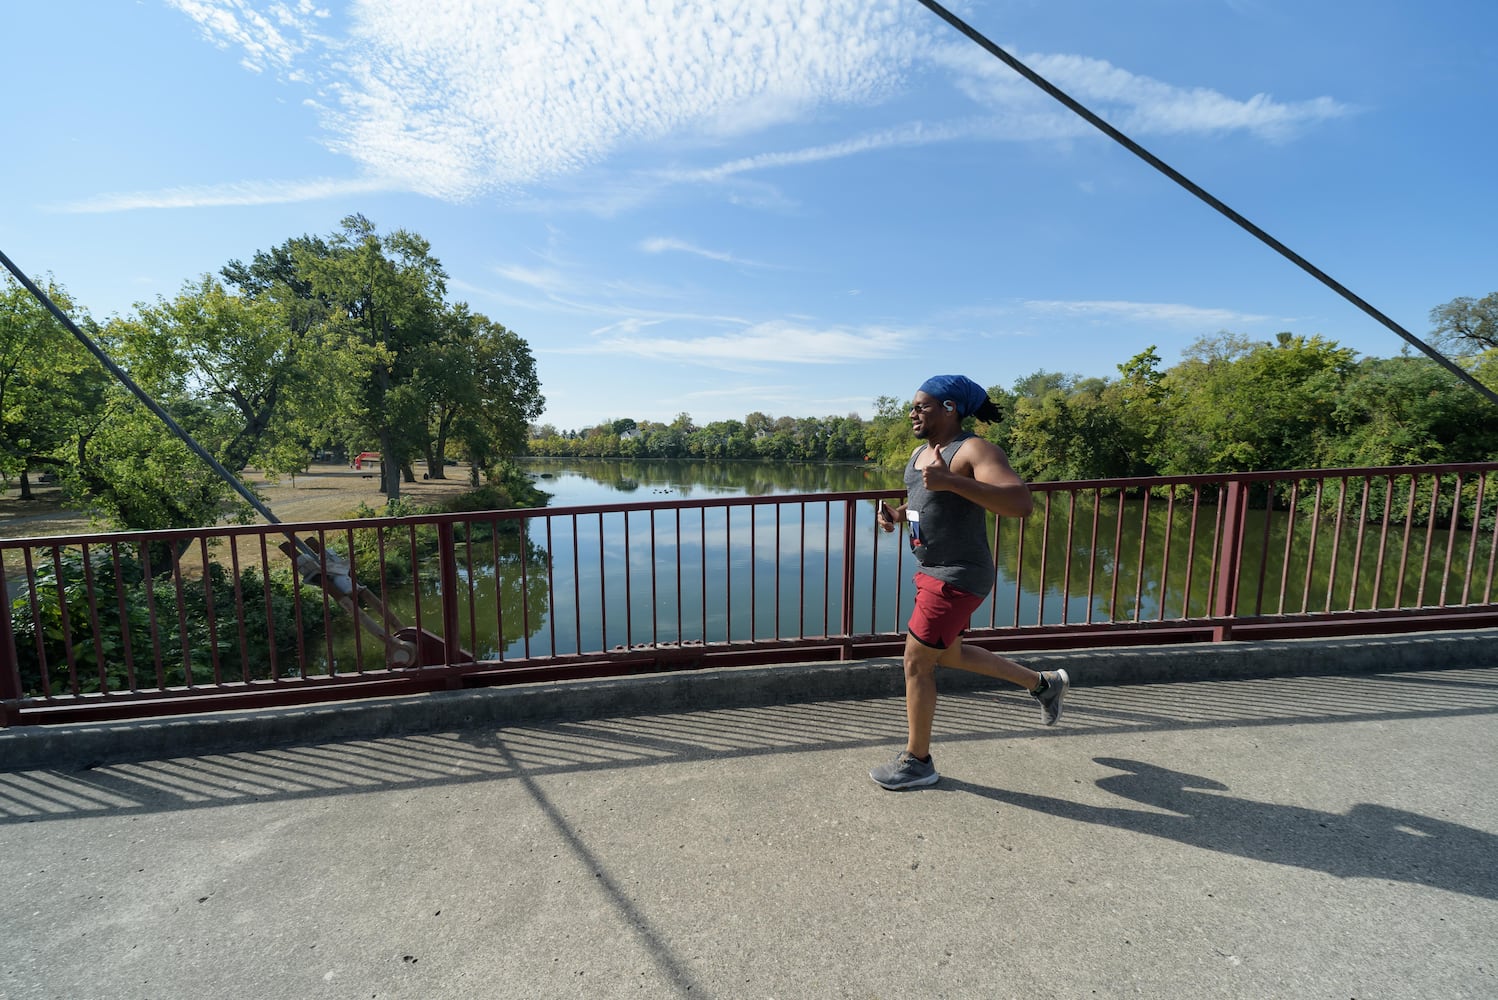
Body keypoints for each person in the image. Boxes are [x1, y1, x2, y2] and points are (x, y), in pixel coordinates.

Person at [869, 374, 1069, 790]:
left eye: (922, 406)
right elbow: (927, 501)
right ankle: (1044, 685)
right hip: (932, 570)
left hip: (958, 574)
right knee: (949, 654)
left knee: (916, 662)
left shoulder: (974, 449)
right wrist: (897, 514)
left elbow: (1020, 502)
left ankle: (918, 761)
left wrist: (953, 481)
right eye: (913, 406)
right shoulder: (920, 453)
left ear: (949, 408)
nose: (912, 413)